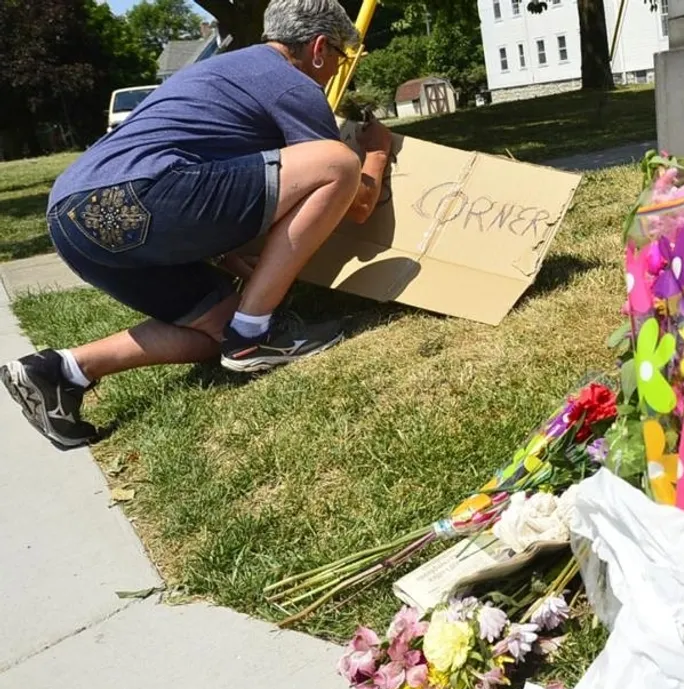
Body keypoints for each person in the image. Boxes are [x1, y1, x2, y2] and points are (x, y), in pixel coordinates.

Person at [1, 0, 392, 449]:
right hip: (137, 196)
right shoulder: (292, 85)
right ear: (320, 49)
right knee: (337, 163)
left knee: (216, 336)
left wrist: (239, 258)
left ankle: (61, 371)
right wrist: (376, 152)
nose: (336, 70)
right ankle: (255, 333)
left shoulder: (222, 72)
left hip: (70, 218)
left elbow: (206, 171)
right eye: (340, 57)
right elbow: (356, 200)